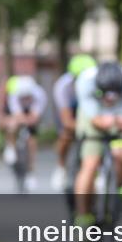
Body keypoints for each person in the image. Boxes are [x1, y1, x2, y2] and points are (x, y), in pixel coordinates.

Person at [72, 61, 122, 228]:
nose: (109, 100)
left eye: (113, 96)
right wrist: (103, 122)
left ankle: (118, 188)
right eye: (104, 95)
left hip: (120, 112)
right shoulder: (85, 82)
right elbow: (94, 119)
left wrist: (121, 123)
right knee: (90, 163)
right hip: (93, 115)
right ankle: (83, 217)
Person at [51, 54, 97, 191]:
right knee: (65, 134)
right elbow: (67, 120)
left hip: (90, 110)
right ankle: (61, 167)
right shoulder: (63, 87)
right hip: (71, 108)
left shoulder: (97, 84)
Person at [0, 74, 48, 191]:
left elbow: (35, 117)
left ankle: (31, 172)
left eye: (27, 97)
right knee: (12, 125)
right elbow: (17, 115)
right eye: (22, 97)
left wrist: (30, 120)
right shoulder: (14, 95)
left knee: (32, 140)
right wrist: (16, 120)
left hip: (32, 113)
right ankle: (11, 146)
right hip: (19, 114)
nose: (25, 99)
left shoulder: (39, 95)